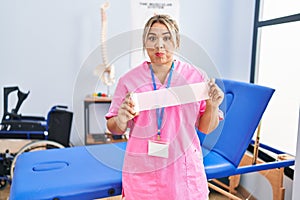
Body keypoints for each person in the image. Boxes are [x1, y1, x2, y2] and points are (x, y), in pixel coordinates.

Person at [106, 14, 224, 200]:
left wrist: (213, 106)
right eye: (152, 38)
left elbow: (205, 127)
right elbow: (114, 129)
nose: (159, 45)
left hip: (183, 172)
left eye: (166, 38)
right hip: (142, 171)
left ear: (177, 42)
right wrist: (120, 119)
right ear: (144, 43)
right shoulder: (129, 80)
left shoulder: (196, 77)